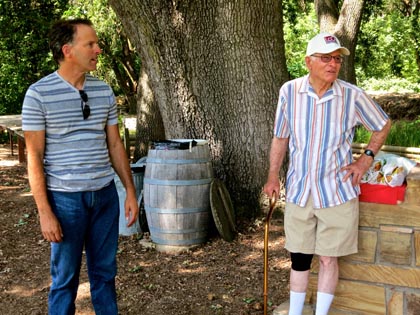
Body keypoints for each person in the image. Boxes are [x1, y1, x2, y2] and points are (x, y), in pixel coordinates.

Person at [263, 33, 391, 315]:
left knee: (329, 260)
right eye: (326, 58)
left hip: (337, 192)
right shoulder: (289, 92)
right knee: (299, 259)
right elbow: (280, 138)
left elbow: (382, 124)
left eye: (337, 59)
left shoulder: (352, 95)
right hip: (299, 189)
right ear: (309, 62)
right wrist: (273, 176)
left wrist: (364, 160)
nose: (333, 64)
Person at [22, 18, 139, 314]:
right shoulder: (39, 94)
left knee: (105, 275)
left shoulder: (103, 91)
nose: (98, 49)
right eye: (90, 44)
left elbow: (114, 145)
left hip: (104, 197)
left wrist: (128, 190)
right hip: (65, 201)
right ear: (68, 50)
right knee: (65, 280)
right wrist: (45, 213)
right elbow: (34, 157)